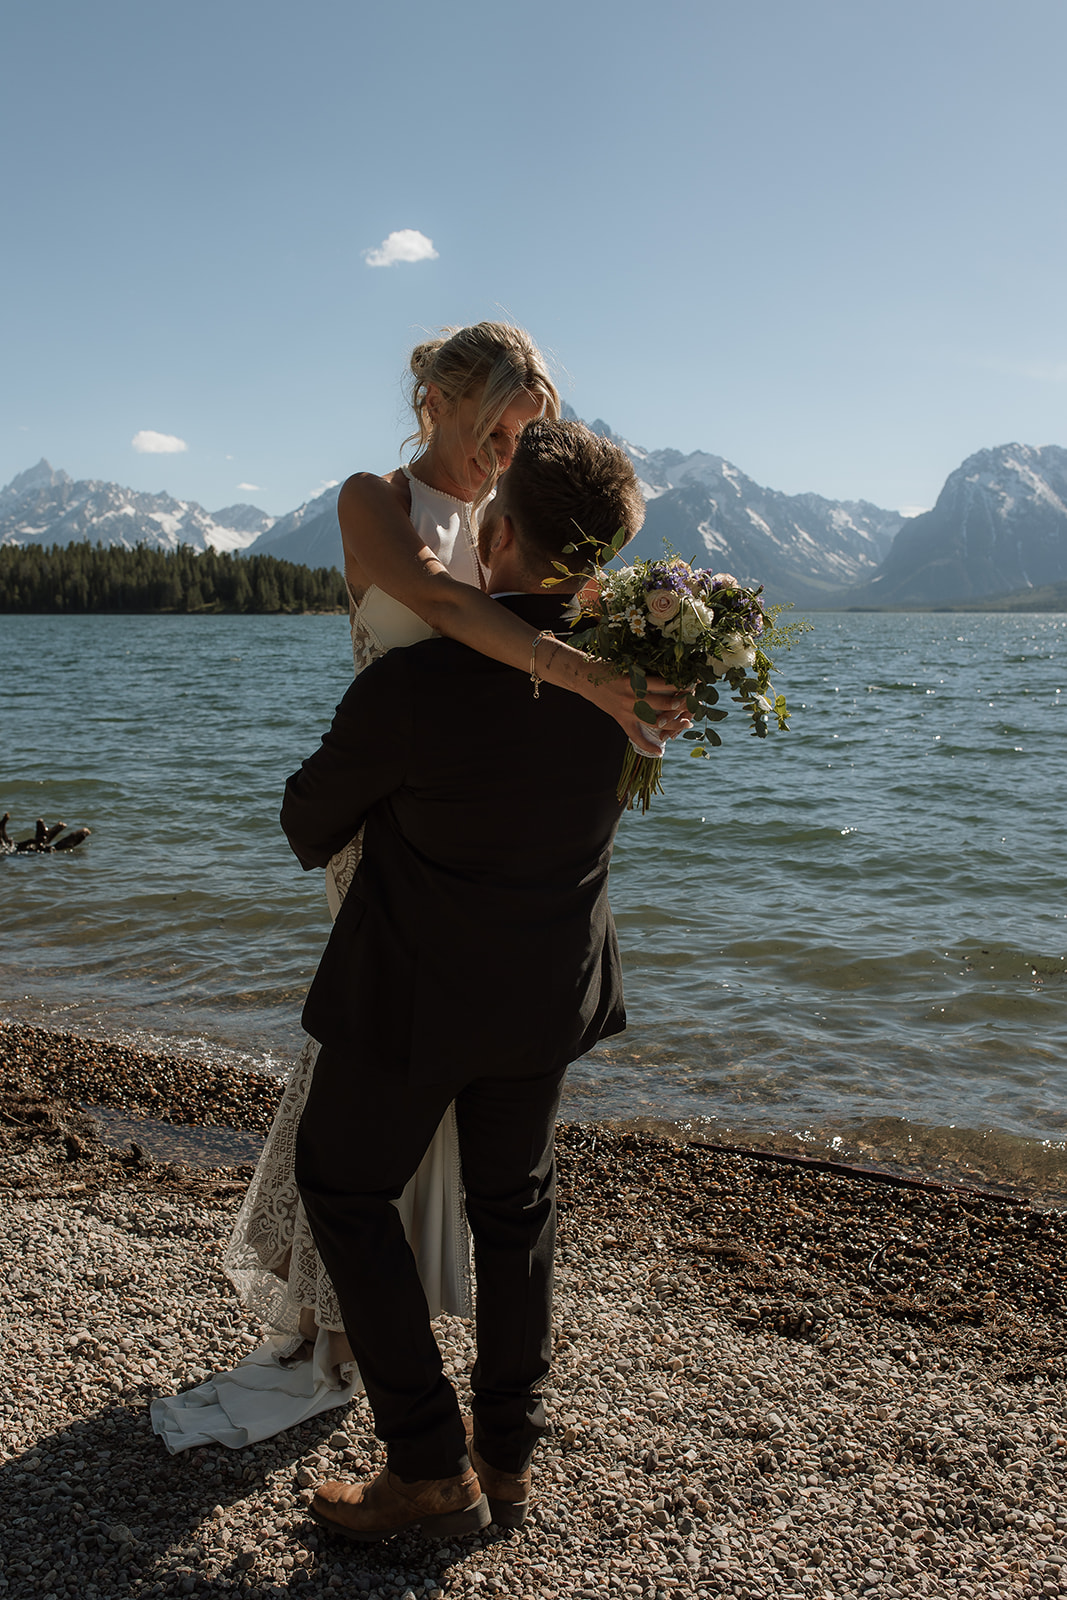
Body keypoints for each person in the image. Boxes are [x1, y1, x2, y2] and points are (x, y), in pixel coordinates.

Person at [218, 324, 686, 1416]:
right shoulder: (370, 502)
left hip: (458, 812)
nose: (504, 455)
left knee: (400, 1091)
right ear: (435, 399)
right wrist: (585, 675)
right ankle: (348, 1330)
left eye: (523, 437)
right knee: (373, 1077)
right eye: (495, 429)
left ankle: (390, 1347)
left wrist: (653, 682)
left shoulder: (514, 518)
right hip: (390, 815)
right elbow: (439, 607)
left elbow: (533, 623)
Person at [287, 418, 647, 1541]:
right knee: (516, 1208)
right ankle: (508, 1456)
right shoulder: (632, 689)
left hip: (413, 995)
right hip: (547, 996)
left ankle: (428, 1463)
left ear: (495, 530)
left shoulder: (416, 685)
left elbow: (306, 822)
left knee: (342, 1186)